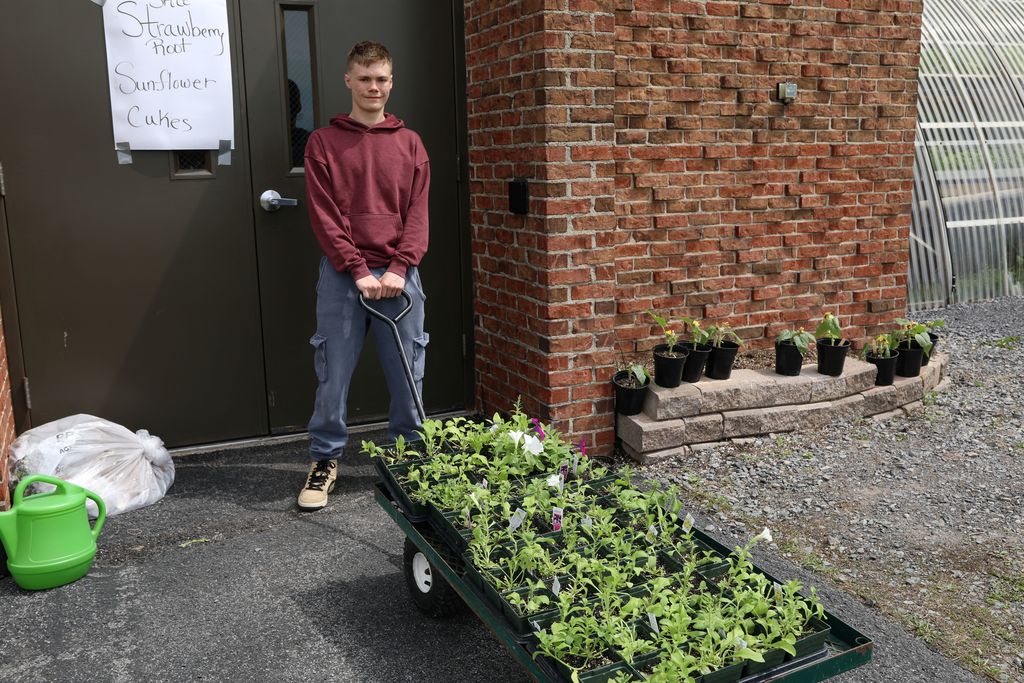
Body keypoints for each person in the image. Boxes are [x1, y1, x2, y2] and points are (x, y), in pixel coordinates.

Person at [298, 41, 430, 511]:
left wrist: (398, 268)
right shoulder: (323, 143)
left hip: (400, 277)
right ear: (348, 80)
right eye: (365, 78)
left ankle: (407, 460)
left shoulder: (410, 143)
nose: (373, 87)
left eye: (382, 79)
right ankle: (325, 460)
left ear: (391, 83)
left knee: (408, 375)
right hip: (343, 277)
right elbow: (324, 215)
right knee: (333, 375)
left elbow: (418, 214)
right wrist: (356, 270)